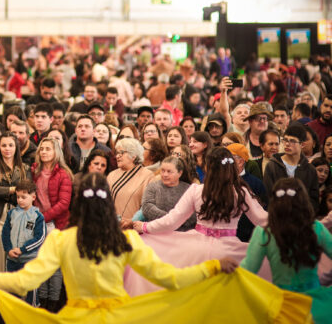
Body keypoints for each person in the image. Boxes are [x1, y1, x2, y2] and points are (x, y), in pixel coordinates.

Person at [0, 173, 308, 324]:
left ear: (78, 205)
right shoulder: (125, 240)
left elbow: (27, 280)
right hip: (125, 317)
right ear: (109, 206)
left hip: (76, 318)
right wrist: (211, 267)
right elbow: (169, 278)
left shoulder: (61, 240)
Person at [128, 147, 269, 295]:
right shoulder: (240, 192)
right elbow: (262, 219)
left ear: (208, 167)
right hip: (228, 251)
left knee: (191, 294)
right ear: (231, 167)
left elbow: (172, 221)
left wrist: (145, 227)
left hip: (194, 250)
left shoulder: (197, 190)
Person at [241, 178, 332, 323]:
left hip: (282, 304)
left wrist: (222, 272)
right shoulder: (316, 228)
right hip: (315, 305)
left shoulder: (264, 232)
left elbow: (248, 269)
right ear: (304, 201)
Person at [30, 137, 72, 311]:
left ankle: (53, 303)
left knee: (53, 266)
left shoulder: (63, 174)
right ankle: (41, 300)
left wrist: (43, 217)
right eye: (42, 149)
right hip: (36, 222)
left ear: (56, 152)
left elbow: (64, 203)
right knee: (39, 263)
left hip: (55, 224)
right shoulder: (34, 171)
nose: (44, 152)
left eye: (48, 148)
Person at [0, 132, 28, 277]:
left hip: (17, 216)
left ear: (16, 148)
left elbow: (27, 191)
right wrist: (13, 189)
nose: (7, 148)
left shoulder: (25, 169)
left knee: (14, 256)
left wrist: (0, 189)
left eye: (10, 145)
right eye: (3, 145)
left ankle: (11, 294)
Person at [1, 179, 45, 306]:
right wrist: (9, 249)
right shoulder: (11, 213)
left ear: (33, 197)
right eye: (18, 197)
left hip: (30, 261)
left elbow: (40, 238)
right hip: (12, 260)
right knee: (13, 293)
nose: (20, 200)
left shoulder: (38, 216)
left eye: (23, 197)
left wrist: (22, 249)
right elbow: (5, 234)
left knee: (31, 293)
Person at [263, 123, 320, 214]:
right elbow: (268, 196)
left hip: (302, 219)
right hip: (278, 217)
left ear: (302, 144)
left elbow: (313, 200)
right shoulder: (272, 166)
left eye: (292, 141)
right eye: (285, 140)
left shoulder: (310, 170)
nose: (287, 144)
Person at [140, 156, 196, 231]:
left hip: (182, 234)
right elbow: (147, 208)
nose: (165, 175)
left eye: (169, 171)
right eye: (162, 171)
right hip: (157, 232)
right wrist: (171, 219)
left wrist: (172, 220)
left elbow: (194, 214)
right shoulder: (152, 187)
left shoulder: (189, 189)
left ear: (180, 173)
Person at [107, 138, 155, 225]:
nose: (117, 156)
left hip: (134, 229)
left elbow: (148, 206)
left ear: (134, 156)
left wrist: (132, 221)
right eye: (117, 153)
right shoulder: (111, 175)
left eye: (121, 152)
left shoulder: (148, 176)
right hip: (110, 227)